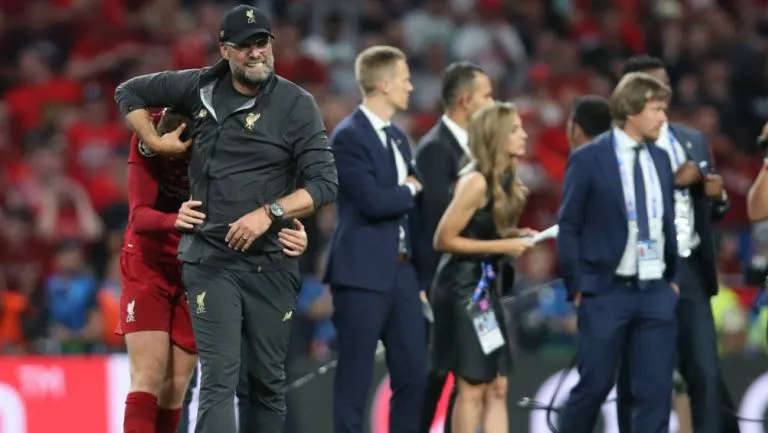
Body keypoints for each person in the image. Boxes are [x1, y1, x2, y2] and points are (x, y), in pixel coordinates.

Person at [113, 5, 338, 433]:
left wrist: (275, 215)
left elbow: (324, 183)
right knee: (211, 379)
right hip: (204, 259)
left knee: (260, 385)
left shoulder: (297, 104)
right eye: (245, 46)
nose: (256, 53)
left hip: (267, 262)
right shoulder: (197, 88)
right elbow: (128, 92)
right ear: (224, 50)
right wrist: (156, 143)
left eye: (262, 43)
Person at [117, 109, 309, 433]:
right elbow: (138, 217)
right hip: (148, 264)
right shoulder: (148, 135)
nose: (184, 160)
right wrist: (174, 219)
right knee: (147, 376)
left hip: (200, 267)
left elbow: (257, 204)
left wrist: (291, 235)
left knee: (175, 387)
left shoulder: (230, 146)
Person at [614, 55, 738, 433]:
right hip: (641, 271)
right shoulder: (617, 146)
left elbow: (711, 209)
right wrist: (672, 181)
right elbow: (620, 204)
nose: (662, 90)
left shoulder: (692, 140)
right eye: (652, 84)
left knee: (705, 371)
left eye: (665, 82)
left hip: (689, 268)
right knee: (642, 375)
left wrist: (717, 197)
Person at [556, 72, 679, 433]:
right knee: (594, 385)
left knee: (656, 392)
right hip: (605, 291)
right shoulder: (589, 158)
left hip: (655, 291)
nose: (663, 118)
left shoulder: (661, 159)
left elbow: (665, 221)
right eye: (656, 109)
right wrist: (578, 286)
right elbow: (569, 225)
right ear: (631, 110)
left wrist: (670, 280)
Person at [323, 45, 427, 433]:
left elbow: (409, 198)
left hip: (402, 271)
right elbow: (373, 202)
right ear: (384, 84)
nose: (410, 87)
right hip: (361, 271)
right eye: (405, 80)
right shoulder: (348, 137)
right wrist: (410, 189)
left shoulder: (398, 137)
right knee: (355, 376)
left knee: (414, 372)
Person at [431, 101, 535, 433]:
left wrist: (513, 235)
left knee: (498, 385)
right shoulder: (475, 181)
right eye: (515, 129)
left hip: (483, 290)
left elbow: (482, 231)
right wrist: (503, 246)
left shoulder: (504, 179)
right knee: (473, 385)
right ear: (496, 136)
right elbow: (443, 239)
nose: (524, 134)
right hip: (463, 290)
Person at [414, 61, 493, 433]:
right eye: (487, 96)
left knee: (468, 377)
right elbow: (436, 223)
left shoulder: (475, 149)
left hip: (472, 283)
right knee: (435, 378)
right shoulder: (436, 149)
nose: (492, 104)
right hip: (445, 285)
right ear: (465, 100)